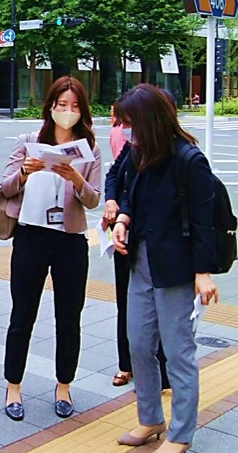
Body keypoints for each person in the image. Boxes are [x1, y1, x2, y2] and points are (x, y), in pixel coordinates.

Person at [111, 84, 218, 453]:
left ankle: (181, 433)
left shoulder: (189, 160)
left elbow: (204, 223)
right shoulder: (142, 153)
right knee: (139, 344)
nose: (125, 131)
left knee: (178, 353)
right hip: (140, 261)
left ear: (150, 121)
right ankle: (151, 419)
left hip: (176, 269)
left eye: (129, 123)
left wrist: (202, 272)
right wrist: (123, 218)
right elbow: (128, 193)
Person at [0, 76, 100, 422]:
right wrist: (25, 173)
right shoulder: (28, 142)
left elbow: (94, 199)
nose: (67, 112)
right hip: (31, 237)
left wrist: (77, 179)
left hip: (70, 240)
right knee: (21, 314)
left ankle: (63, 385)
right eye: (61, 105)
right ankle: (13, 386)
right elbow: (4, 190)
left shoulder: (89, 148)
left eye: (74, 106)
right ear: (50, 107)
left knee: (69, 317)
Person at [105, 107, 169, 390]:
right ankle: (126, 364)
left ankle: (164, 371)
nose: (125, 129)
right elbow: (114, 176)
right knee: (126, 301)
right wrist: (111, 201)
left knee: (163, 307)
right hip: (126, 236)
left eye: (129, 122)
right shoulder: (132, 149)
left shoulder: (178, 153)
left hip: (161, 243)